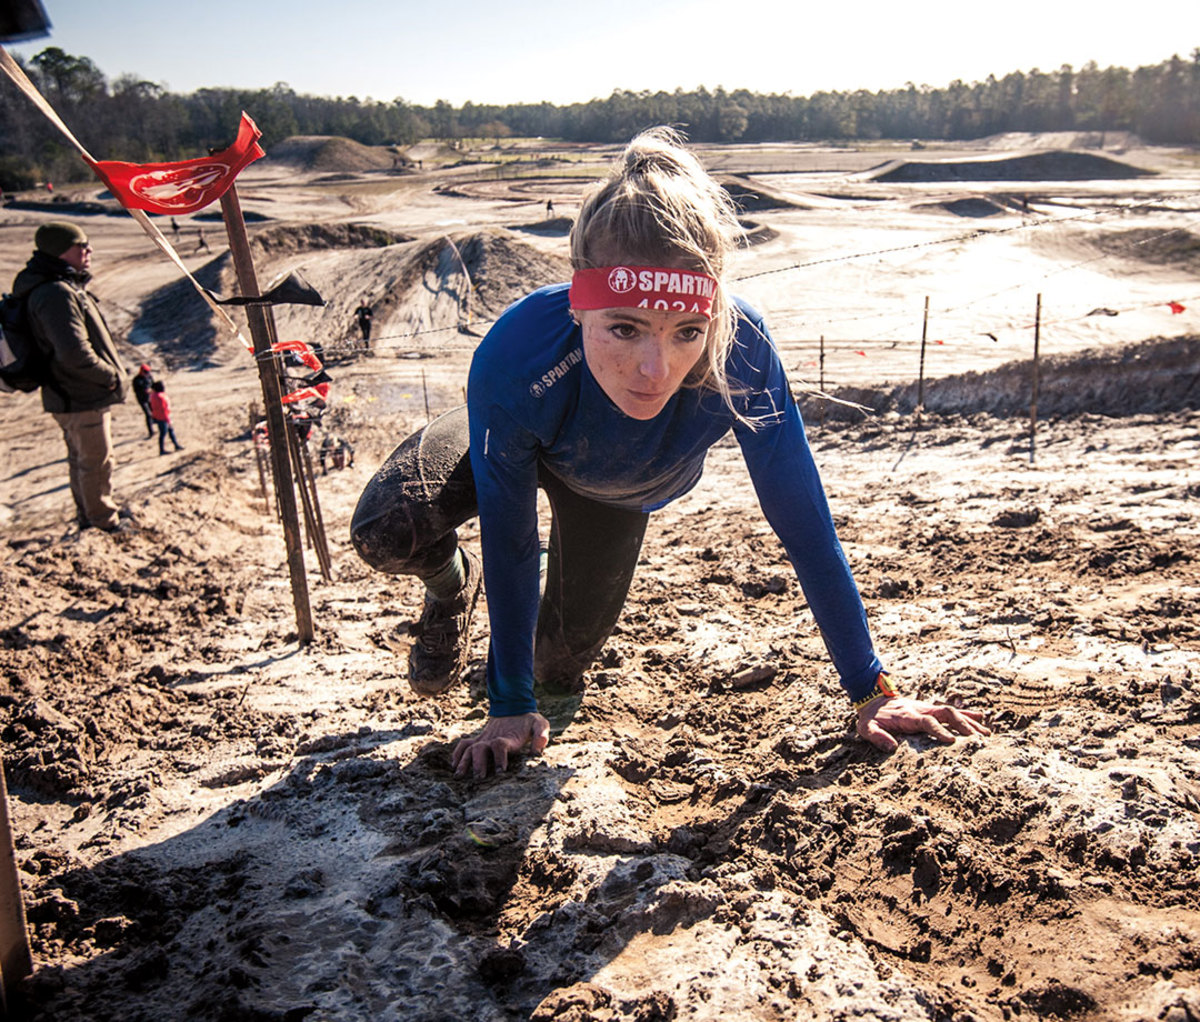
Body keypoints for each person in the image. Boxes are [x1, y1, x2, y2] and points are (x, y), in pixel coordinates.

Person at [351, 128, 990, 779]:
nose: (653, 369)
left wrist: (871, 690)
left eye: (687, 332)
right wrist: (506, 704)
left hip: (614, 491)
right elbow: (510, 538)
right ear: (578, 303)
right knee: (385, 528)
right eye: (623, 328)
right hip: (523, 429)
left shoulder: (741, 350)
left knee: (556, 674)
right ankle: (450, 586)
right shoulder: (520, 354)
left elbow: (803, 525)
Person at [11, 221, 130, 532]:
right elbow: (74, 353)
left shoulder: (54, 285)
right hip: (80, 393)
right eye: (82, 245)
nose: (88, 250)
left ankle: (90, 517)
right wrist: (110, 377)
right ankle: (103, 522)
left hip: (70, 392)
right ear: (61, 251)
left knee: (83, 460)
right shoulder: (55, 293)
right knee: (95, 462)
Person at [148, 379, 184, 455]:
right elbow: (164, 409)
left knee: (168, 432)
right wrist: (168, 420)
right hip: (163, 417)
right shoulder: (160, 397)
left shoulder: (153, 395)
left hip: (158, 416)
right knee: (164, 433)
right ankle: (162, 450)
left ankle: (175, 445)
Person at [132, 363, 155, 438]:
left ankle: (154, 425)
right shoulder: (136, 380)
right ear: (141, 371)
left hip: (151, 397)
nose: (147, 374)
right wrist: (145, 391)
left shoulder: (149, 377)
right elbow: (136, 390)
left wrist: (153, 390)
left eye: (148, 372)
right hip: (142, 399)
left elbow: (153, 385)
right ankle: (151, 432)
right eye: (145, 372)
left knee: (154, 413)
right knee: (148, 414)